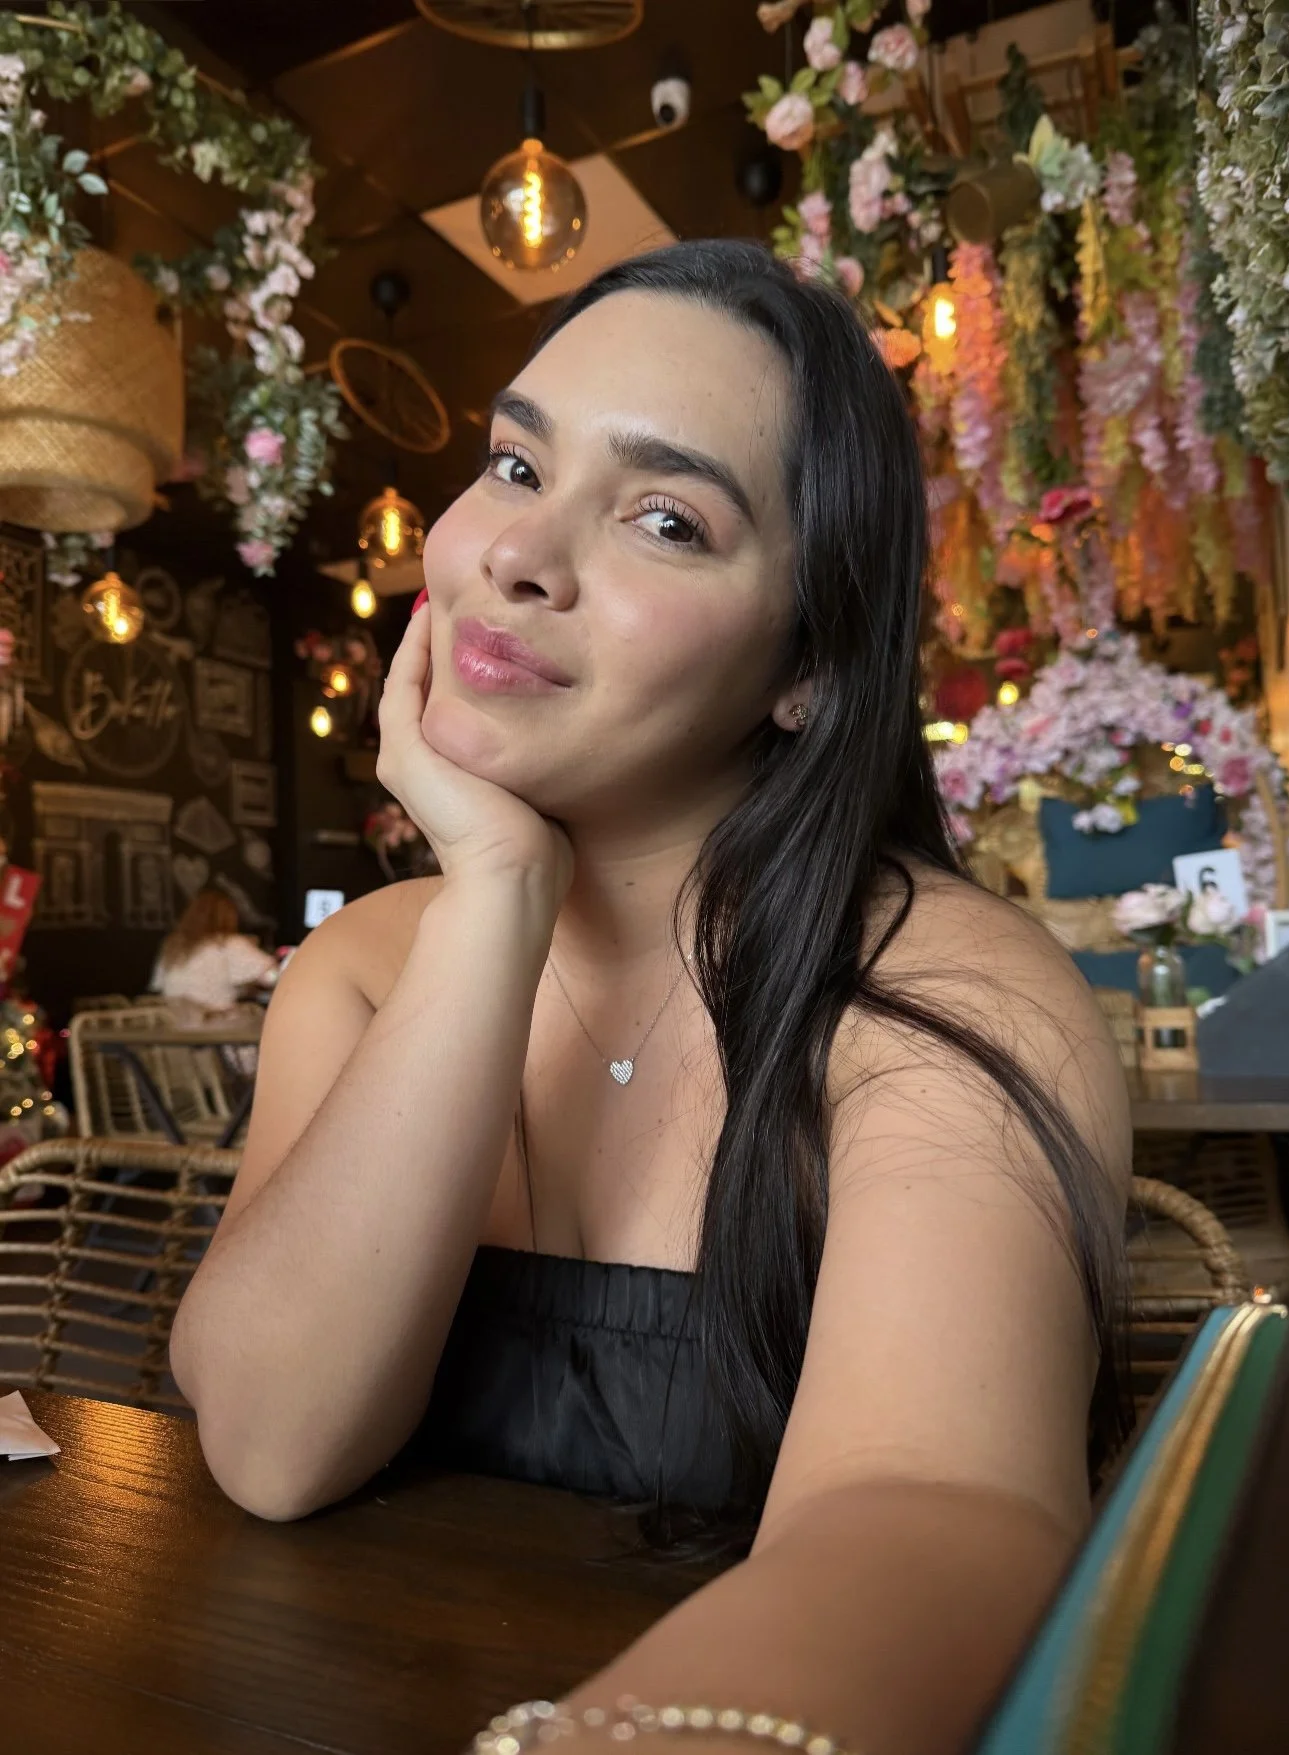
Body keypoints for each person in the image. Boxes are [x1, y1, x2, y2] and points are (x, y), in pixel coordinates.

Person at [171, 241, 1130, 1755]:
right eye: (514, 465)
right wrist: (495, 893)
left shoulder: (939, 995)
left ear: (806, 666)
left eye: (666, 518)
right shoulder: (361, 965)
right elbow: (272, 1442)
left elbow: (937, 1511)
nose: (517, 553)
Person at [150, 889, 278, 1022]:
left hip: (175, 1026)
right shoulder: (228, 943)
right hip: (217, 1025)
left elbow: (160, 985)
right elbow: (272, 977)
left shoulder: (172, 946)